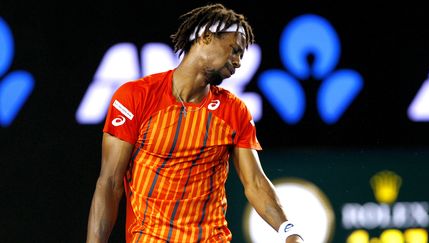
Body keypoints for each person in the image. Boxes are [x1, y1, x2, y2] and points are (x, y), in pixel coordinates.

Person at [86, 3, 304, 243]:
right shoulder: (134, 97)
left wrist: (289, 231)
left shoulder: (234, 111)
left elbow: (255, 183)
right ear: (206, 37)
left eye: (241, 54)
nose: (239, 61)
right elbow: (110, 183)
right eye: (234, 50)